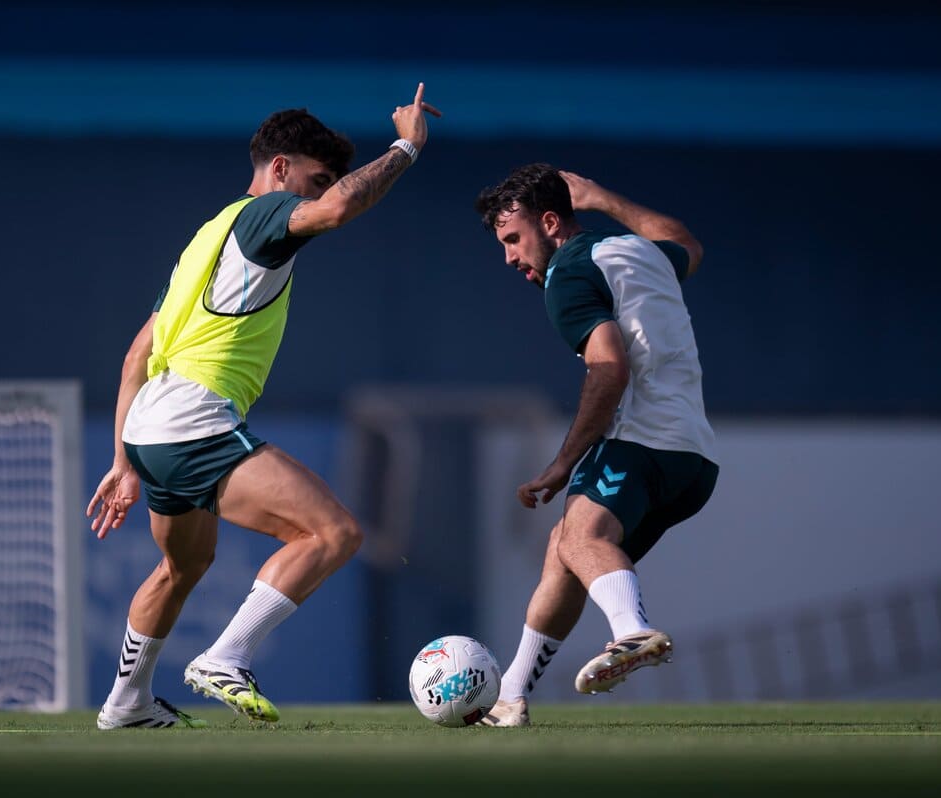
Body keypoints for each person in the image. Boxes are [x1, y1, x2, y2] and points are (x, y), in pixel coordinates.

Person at [87, 84, 441, 729]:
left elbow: (139, 352)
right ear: (280, 170)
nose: (320, 191)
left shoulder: (209, 235)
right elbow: (336, 212)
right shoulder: (264, 214)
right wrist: (406, 148)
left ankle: (125, 703)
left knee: (184, 563)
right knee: (333, 533)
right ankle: (226, 656)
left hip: (152, 427)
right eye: (316, 177)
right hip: (193, 419)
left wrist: (124, 458)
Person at [472, 164, 719, 727]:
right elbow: (686, 242)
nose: (509, 258)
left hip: (640, 441)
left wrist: (563, 463)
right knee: (566, 547)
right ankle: (509, 695)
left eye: (513, 239)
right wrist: (603, 197)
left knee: (581, 534)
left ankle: (633, 632)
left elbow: (609, 368)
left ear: (552, 222)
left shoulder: (570, 274)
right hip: (696, 460)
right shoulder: (636, 253)